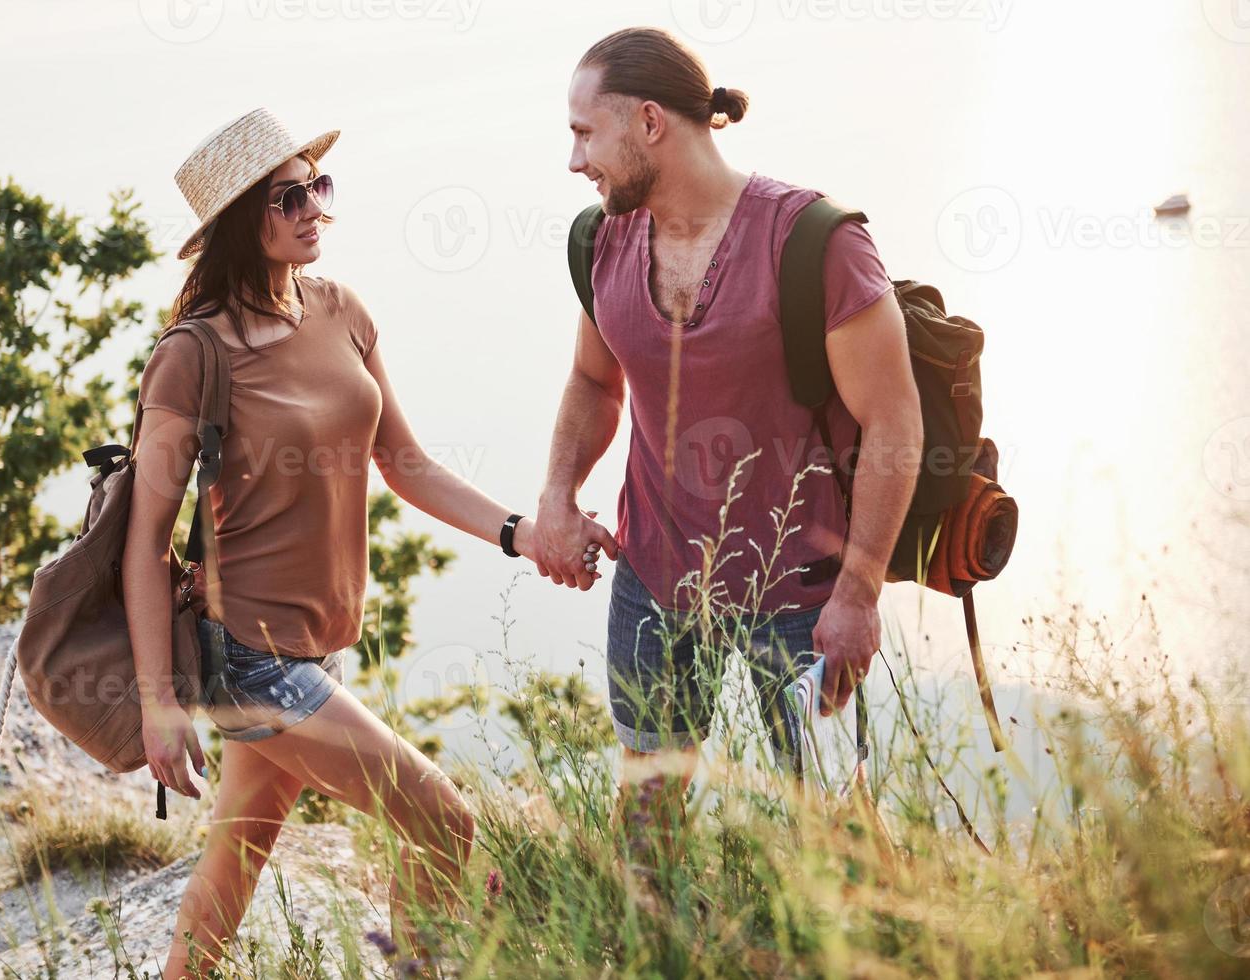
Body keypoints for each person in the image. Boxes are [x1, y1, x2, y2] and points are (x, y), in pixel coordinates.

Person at [122, 107, 617, 978]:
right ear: (244, 222)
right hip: (251, 661)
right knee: (443, 822)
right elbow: (143, 545)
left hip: (319, 651)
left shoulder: (339, 308)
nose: (315, 205)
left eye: (318, 184)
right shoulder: (195, 354)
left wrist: (520, 531)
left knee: (235, 858)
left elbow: (408, 463)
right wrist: (161, 704)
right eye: (289, 196)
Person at [527, 28, 924, 863]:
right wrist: (557, 496)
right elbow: (594, 382)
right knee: (646, 815)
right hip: (652, 579)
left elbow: (894, 425)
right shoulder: (601, 239)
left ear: (646, 123)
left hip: (803, 596)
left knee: (835, 828)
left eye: (581, 133)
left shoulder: (816, 242)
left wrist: (857, 593)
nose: (573, 161)